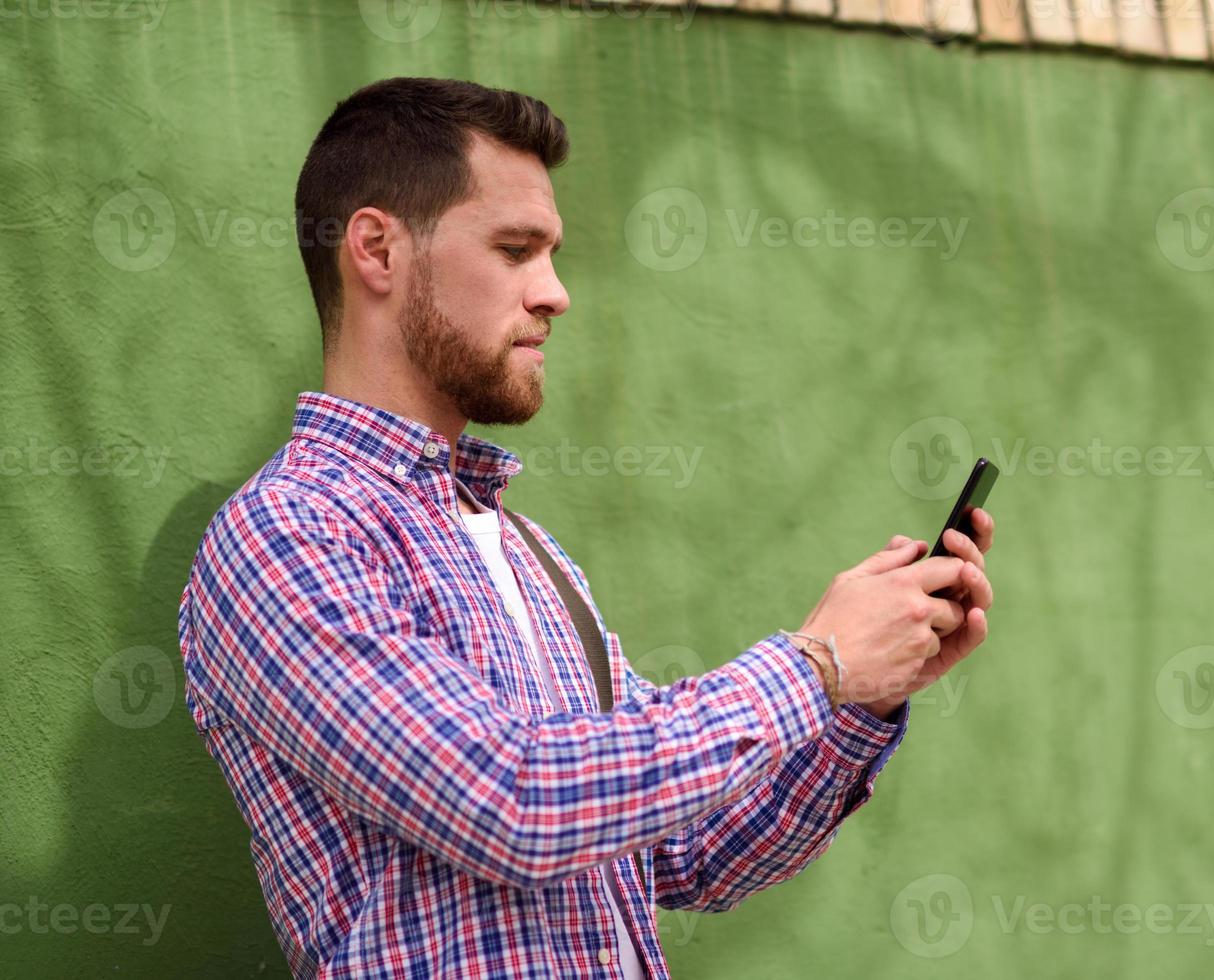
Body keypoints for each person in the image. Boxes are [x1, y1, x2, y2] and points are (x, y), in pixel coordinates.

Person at [176, 76, 995, 980]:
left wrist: (862, 695)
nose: (556, 293)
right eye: (516, 249)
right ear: (376, 248)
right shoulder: (285, 536)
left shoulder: (527, 552)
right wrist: (815, 664)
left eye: (552, 253)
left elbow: (687, 854)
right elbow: (509, 802)